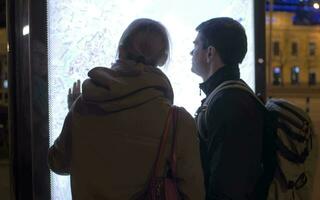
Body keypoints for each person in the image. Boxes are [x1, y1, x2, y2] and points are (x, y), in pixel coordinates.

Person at [48, 18, 204, 199]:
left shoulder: (83, 106)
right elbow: (193, 193)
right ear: (162, 58)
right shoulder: (177, 121)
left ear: (121, 50)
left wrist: (73, 112)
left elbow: (58, 163)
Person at [191, 17, 265, 199]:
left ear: (210, 53)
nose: (191, 52)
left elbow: (229, 188)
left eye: (196, 45)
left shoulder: (230, 104)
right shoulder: (225, 95)